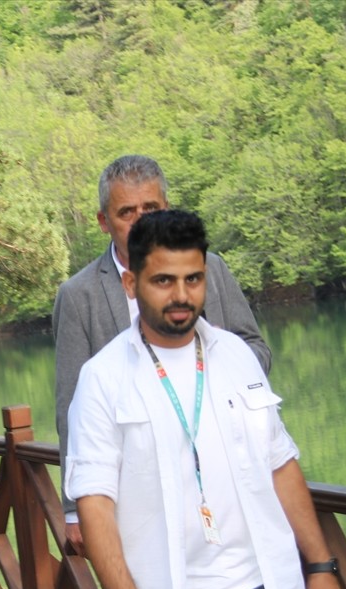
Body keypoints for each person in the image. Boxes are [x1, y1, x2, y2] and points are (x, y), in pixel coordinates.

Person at [66, 210, 342, 589]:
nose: (181, 295)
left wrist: (320, 565)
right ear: (131, 283)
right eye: (163, 280)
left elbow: (281, 463)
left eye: (193, 279)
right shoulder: (103, 378)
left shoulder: (235, 355)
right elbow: (95, 502)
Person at [54, 155, 271, 555]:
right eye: (126, 212)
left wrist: (214, 365)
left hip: (225, 470)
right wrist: (74, 507)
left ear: (166, 207)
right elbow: (70, 407)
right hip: (138, 490)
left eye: (150, 208)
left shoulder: (210, 269)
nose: (140, 221)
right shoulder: (78, 295)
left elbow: (257, 351)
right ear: (104, 221)